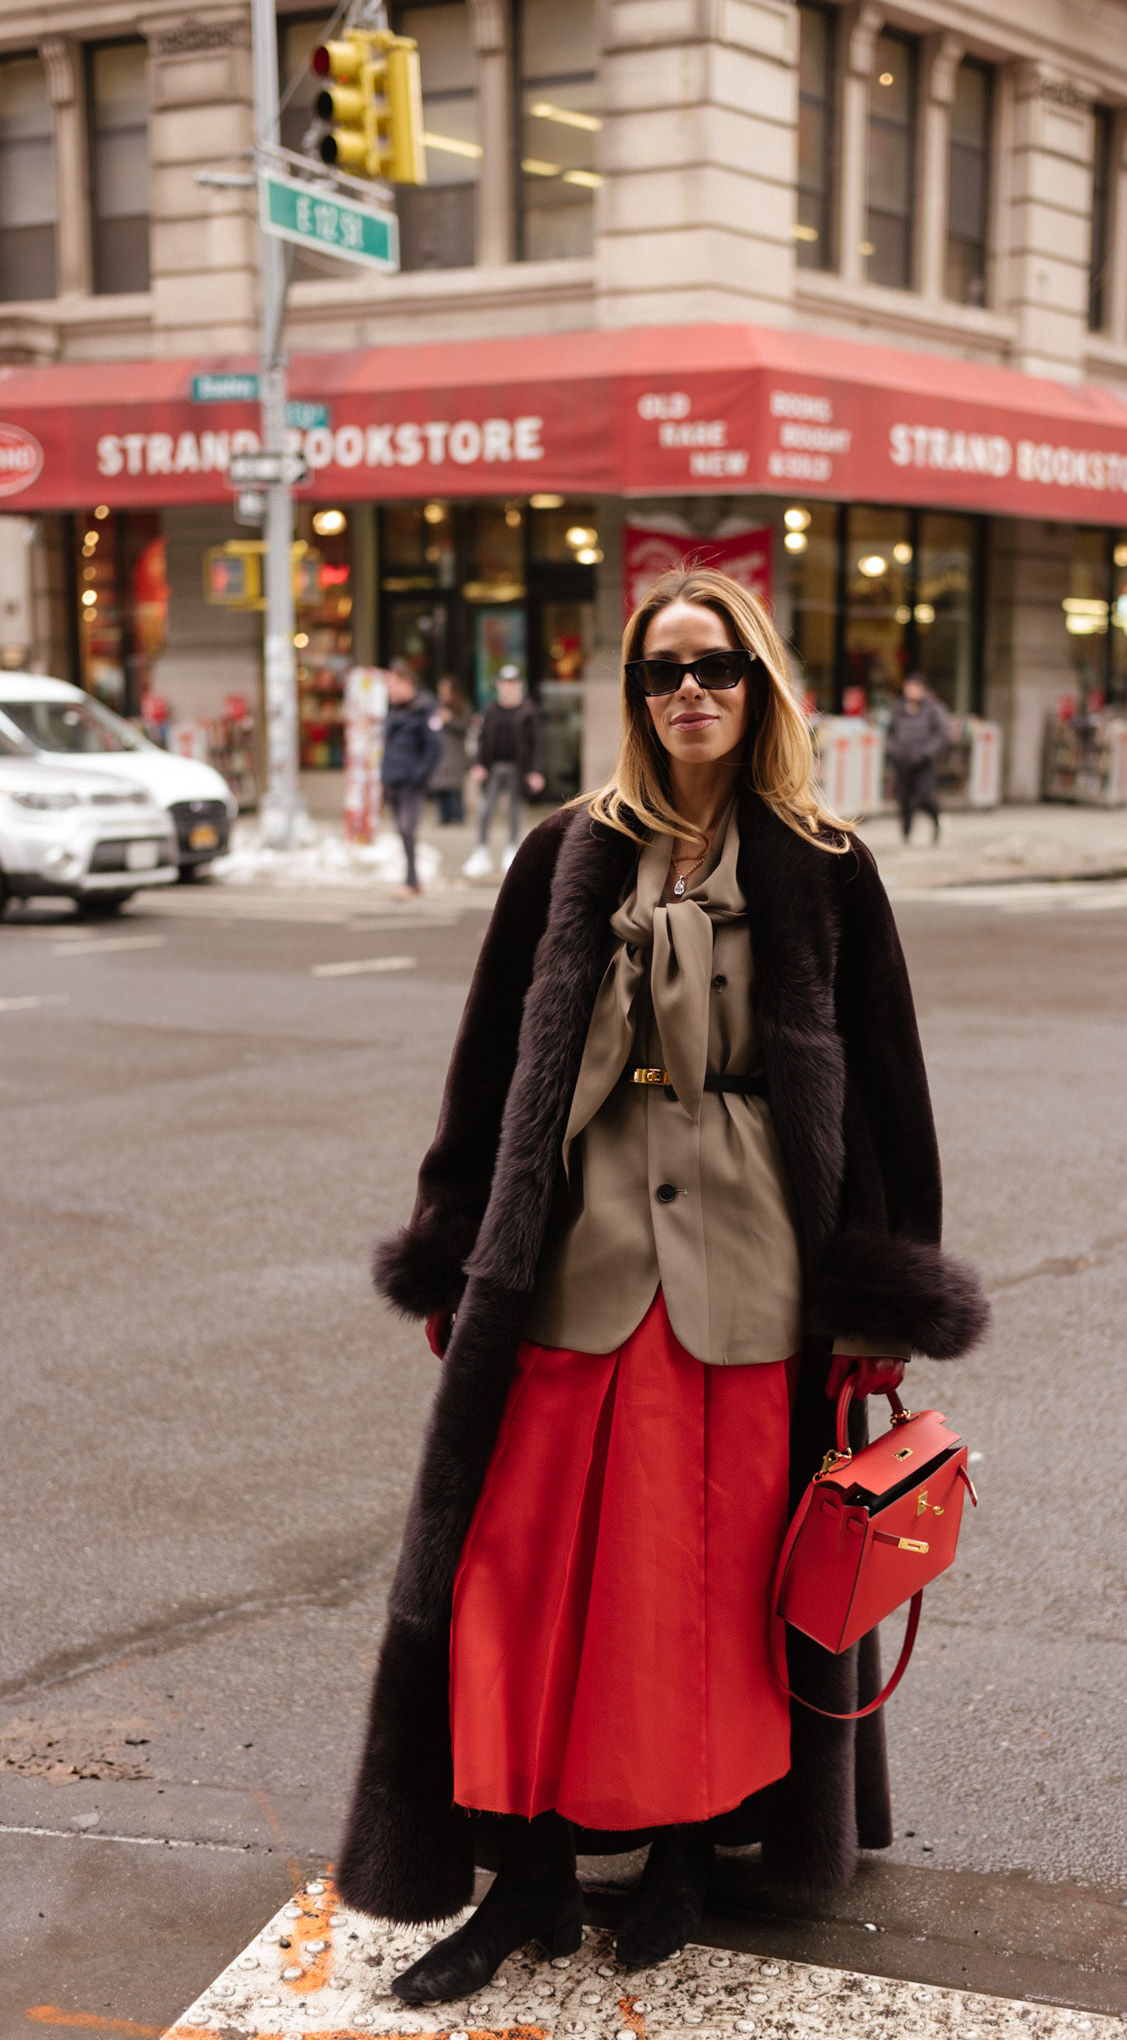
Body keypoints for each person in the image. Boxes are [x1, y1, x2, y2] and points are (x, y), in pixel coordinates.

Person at [335, 568, 988, 2002]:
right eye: (661, 669)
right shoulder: (565, 851)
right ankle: (531, 1874)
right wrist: (453, 1243)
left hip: (751, 1283)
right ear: (633, 695)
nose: (690, 689)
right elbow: (489, 1070)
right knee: (522, 1580)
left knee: (708, 1592)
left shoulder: (822, 862)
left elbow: (888, 1093)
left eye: (717, 665)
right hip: (572, 1268)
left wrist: (879, 1300)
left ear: (758, 685)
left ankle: (689, 1851)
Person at [462, 666, 545, 879]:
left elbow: (536, 742)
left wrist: (535, 771)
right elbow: (482, 739)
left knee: (515, 811)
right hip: (493, 766)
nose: (508, 687)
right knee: (485, 809)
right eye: (504, 683)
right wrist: (479, 764)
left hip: (518, 768)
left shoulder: (528, 710)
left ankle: (511, 848)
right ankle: (481, 850)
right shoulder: (491, 709)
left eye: (512, 683)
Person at [381, 659, 443, 898]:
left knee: (407, 829)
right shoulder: (394, 710)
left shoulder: (425, 710)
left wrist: (418, 775)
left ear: (407, 683)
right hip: (392, 779)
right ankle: (412, 879)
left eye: (393, 685)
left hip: (411, 783)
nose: (390, 691)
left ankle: (411, 880)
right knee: (401, 831)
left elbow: (434, 748)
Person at [885, 673, 951, 843]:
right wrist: (894, 750)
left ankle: (937, 819)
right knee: (903, 799)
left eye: (915, 687)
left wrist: (925, 752)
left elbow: (941, 735)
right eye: (908, 687)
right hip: (902, 762)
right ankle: (906, 833)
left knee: (925, 797)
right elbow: (890, 733)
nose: (911, 691)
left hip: (923, 763)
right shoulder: (898, 708)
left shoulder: (933, 709)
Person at [429, 678, 472, 826]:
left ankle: (457, 816)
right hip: (440, 752)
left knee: (454, 786)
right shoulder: (437, 706)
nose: (443, 694)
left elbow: (464, 726)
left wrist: (450, 719)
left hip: (455, 753)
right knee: (440, 785)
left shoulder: (462, 707)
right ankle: (444, 816)